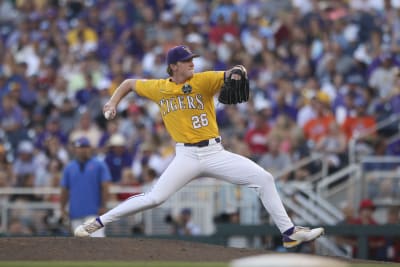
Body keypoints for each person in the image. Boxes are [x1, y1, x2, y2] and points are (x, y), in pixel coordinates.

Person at [74, 45, 324, 248]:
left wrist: (237, 71)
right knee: (155, 198)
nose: (192, 63)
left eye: (192, 59)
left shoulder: (203, 80)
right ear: (174, 66)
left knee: (265, 178)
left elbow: (232, 72)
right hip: (186, 156)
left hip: (215, 152)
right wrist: (111, 102)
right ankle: (97, 223)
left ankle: (289, 232)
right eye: (186, 60)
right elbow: (128, 83)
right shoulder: (160, 88)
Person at [60, 136, 111, 237]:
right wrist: (62, 208)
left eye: (86, 146)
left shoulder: (99, 164)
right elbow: (64, 189)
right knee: (78, 246)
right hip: (75, 213)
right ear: (75, 149)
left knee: (97, 242)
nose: (83, 149)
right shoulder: (69, 167)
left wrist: (103, 205)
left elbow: (105, 187)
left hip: (94, 213)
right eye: (80, 147)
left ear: (90, 148)